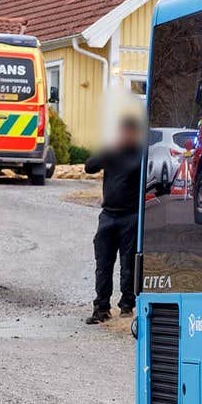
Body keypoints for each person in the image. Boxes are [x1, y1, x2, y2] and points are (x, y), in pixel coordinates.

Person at [85, 115, 144, 323]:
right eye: (123, 132)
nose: (126, 135)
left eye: (130, 132)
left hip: (131, 216)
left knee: (128, 264)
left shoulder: (141, 154)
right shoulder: (111, 152)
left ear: (135, 134)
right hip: (108, 215)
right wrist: (108, 149)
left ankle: (127, 306)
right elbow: (89, 166)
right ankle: (101, 308)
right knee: (103, 263)